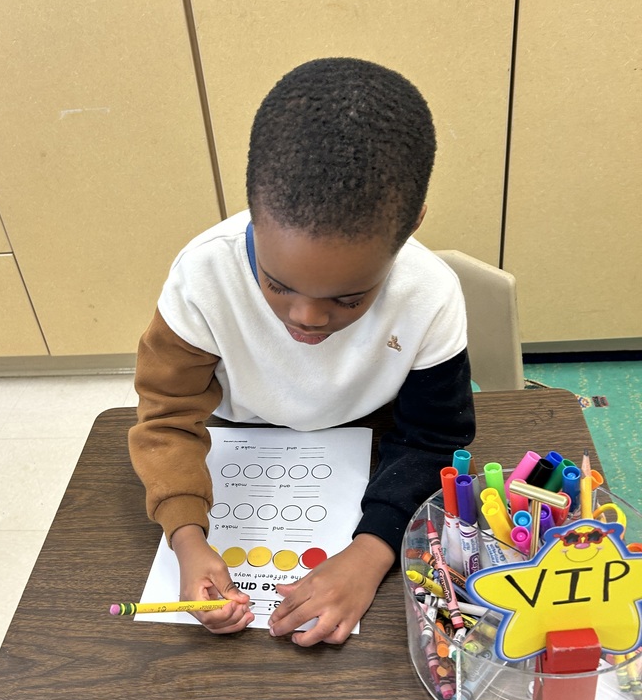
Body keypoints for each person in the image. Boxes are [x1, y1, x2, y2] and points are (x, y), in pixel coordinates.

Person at [128, 57, 475, 646]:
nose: (307, 318)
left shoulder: (431, 296)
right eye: (278, 284)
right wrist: (187, 536)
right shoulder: (202, 276)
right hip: (241, 441)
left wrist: (371, 551)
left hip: (368, 448)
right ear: (254, 215)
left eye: (348, 297)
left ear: (411, 227)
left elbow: (432, 439)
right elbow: (165, 415)